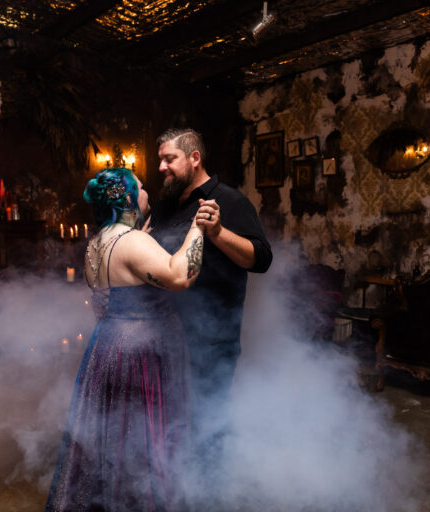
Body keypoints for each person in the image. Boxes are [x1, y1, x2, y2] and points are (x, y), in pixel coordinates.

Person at [46, 167, 213, 512]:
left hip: (107, 346)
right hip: (141, 352)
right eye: (141, 187)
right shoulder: (133, 242)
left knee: (111, 436)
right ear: (127, 197)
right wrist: (198, 227)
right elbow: (181, 277)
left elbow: (109, 295)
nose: (147, 192)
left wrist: (141, 235)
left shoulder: (97, 242)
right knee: (141, 438)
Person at [150, 128, 272, 468]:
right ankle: (172, 487)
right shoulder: (163, 209)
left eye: (169, 159)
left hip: (212, 341)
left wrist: (218, 233)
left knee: (208, 423)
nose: (161, 167)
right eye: (159, 159)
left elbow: (261, 259)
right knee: (168, 421)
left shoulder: (231, 201)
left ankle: (208, 492)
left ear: (194, 158)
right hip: (163, 337)